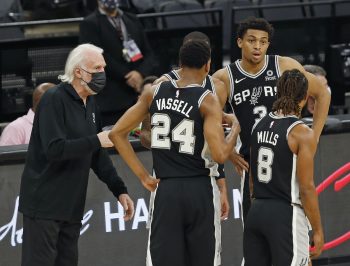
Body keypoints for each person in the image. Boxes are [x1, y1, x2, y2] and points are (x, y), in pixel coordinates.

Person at [109, 40, 240, 266]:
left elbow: (117, 134)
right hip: (199, 189)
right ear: (208, 65)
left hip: (165, 189)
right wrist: (236, 128)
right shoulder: (207, 99)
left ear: (180, 63)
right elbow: (219, 156)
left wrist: (143, 176)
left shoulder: (153, 91)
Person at [18, 43, 134, 266]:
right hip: (44, 204)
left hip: (71, 205)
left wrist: (119, 190)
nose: (102, 73)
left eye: (104, 68)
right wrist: (95, 140)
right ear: (78, 72)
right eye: (97, 68)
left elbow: (97, 155)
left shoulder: (90, 102)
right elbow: (54, 149)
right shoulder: (54, 99)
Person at [213, 17, 331, 221]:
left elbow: (323, 93)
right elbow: (209, 118)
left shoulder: (284, 65)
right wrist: (228, 151)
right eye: (251, 40)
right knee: (254, 230)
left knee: (293, 226)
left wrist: (315, 137)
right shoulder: (225, 77)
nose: (257, 46)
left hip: (287, 156)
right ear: (240, 42)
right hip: (252, 163)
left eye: (263, 41)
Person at [244, 69, 324, 265]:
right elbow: (306, 188)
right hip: (286, 214)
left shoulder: (259, 125)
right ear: (305, 97)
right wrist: (318, 230)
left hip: (256, 212)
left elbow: (252, 181)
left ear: (277, 92)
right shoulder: (301, 133)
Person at [79, 0, 157, 127]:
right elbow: (96, 57)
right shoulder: (89, 23)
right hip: (111, 100)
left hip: (138, 95)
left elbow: (149, 53)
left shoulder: (132, 19)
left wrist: (139, 73)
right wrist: (127, 75)